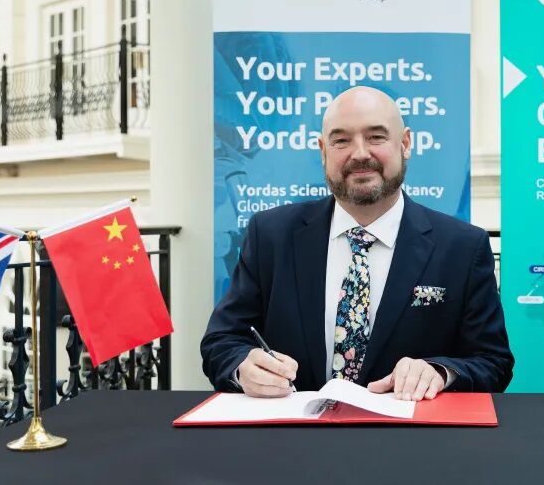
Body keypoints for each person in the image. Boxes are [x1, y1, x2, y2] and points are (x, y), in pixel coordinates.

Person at [202, 86, 513, 400]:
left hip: (413, 429)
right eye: (341, 140)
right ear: (323, 151)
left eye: (376, 137)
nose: (360, 153)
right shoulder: (270, 235)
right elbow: (222, 341)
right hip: (293, 429)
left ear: (405, 144)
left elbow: (493, 362)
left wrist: (440, 372)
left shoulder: (462, 247)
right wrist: (243, 367)